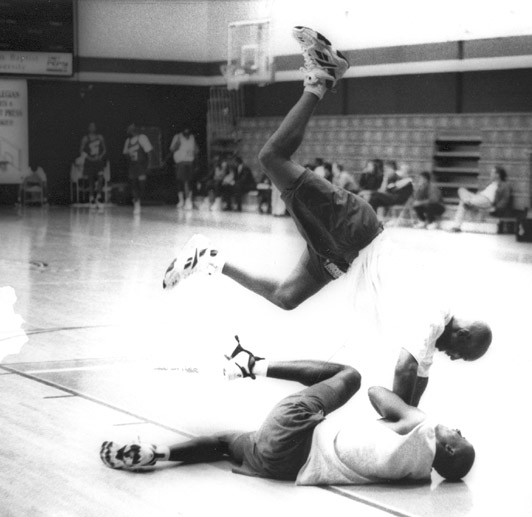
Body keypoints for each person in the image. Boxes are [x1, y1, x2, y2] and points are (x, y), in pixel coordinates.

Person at [162, 26, 492, 406]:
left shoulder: (432, 339)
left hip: (344, 254)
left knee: (286, 297)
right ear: (464, 333)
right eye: (462, 353)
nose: (455, 358)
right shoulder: (434, 318)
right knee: (271, 159)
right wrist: (400, 427)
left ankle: (207, 257)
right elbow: (404, 370)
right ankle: (320, 78)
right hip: (355, 230)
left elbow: (420, 375)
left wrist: (411, 416)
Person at [100, 345, 475, 484]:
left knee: (351, 377)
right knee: (225, 442)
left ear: (452, 451)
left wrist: (410, 409)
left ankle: (252, 364)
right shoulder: (416, 474)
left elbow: (378, 393)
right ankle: (158, 454)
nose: (457, 429)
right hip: (284, 467)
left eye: (460, 435)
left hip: (298, 431)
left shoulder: (420, 426)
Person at [449, 166, 509, 232]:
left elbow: (505, 199)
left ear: (497, 175)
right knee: (461, 189)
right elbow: (482, 193)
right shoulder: (490, 184)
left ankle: (456, 226)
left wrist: (496, 208)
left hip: (487, 200)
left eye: (492, 172)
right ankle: (467, 201)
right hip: (479, 198)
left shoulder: (504, 185)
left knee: (463, 202)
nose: (490, 174)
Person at [122, 124, 153, 214]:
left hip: (141, 165)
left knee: (142, 184)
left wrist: (149, 165)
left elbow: (149, 152)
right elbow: (125, 154)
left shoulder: (142, 138)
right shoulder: (128, 141)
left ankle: (137, 198)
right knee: (134, 184)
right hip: (133, 166)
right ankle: (136, 202)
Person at [79, 122, 107, 210]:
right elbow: (81, 150)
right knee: (91, 179)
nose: (92, 127)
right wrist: (89, 157)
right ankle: (91, 198)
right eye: (90, 126)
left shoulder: (100, 137)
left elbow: (104, 149)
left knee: (100, 178)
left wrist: (100, 156)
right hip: (90, 161)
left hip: (98, 161)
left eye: (94, 126)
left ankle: (98, 196)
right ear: (88, 128)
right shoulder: (85, 138)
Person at [170, 126, 199, 210]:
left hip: (190, 162)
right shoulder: (177, 136)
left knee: (188, 181)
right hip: (180, 162)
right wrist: (177, 145)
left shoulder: (192, 137)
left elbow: (196, 150)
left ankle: (188, 200)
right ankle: (181, 200)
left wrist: (197, 163)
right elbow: (172, 149)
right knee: (181, 181)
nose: (187, 131)